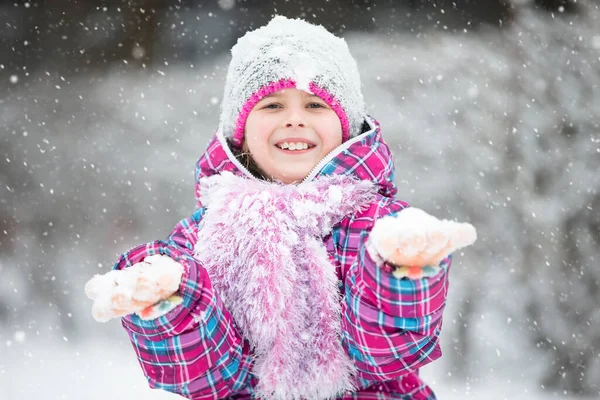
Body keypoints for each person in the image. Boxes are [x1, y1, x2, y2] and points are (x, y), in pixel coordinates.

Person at [85, 16, 476, 400]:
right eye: (272, 105)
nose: (294, 120)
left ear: (346, 126)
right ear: (240, 131)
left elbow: (386, 357)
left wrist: (399, 274)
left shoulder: (379, 226)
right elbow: (210, 378)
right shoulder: (203, 236)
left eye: (315, 105)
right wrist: (169, 302)